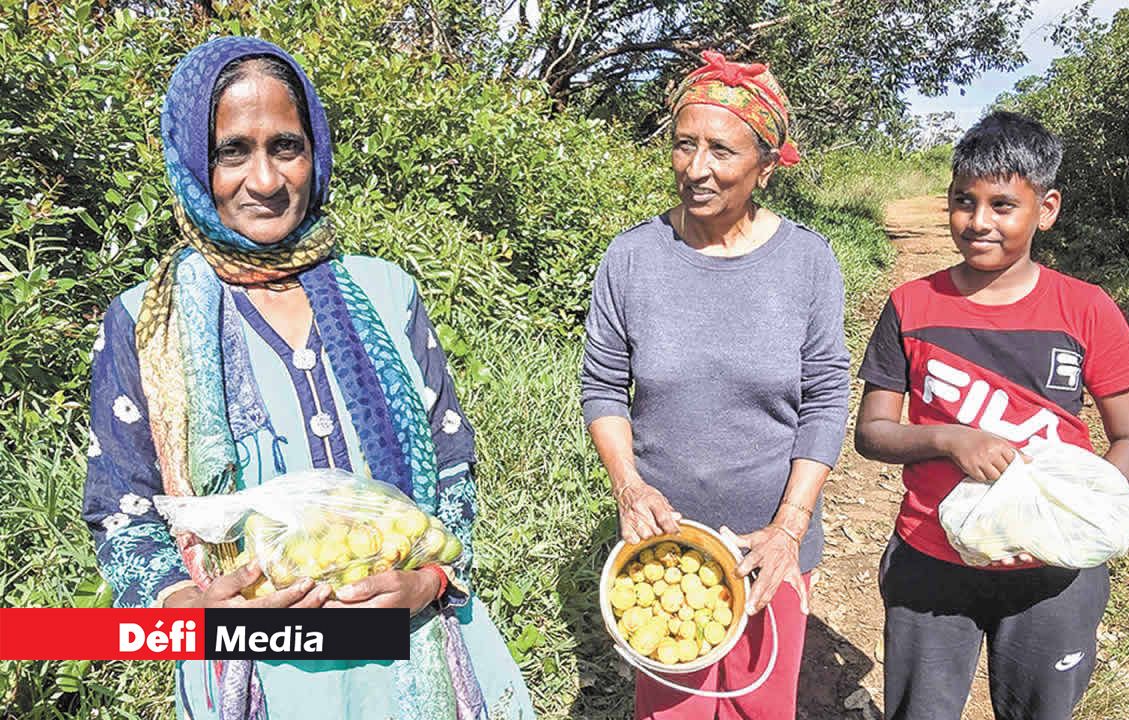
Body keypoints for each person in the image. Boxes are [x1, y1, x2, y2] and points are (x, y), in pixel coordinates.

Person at [81, 37, 534, 720]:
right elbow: (124, 517)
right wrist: (187, 604)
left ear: (314, 152)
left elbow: (451, 470)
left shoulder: (386, 292)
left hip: (415, 660)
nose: (264, 180)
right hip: (262, 680)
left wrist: (432, 576)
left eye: (286, 147)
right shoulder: (147, 322)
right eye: (233, 150)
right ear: (194, 164)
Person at [853, 111, 1129, 720]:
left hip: (1050, 573)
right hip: (931, 560)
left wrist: (1066, 511)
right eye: (964, 202)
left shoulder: (1086, 309)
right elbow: (873, 430)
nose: (979, 222)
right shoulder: (911, 306)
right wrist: (948, 439)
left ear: (1045, 209)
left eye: (1002, 205)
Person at [580, 50, 850, 719]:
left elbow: (826, 397)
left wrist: (789, 526)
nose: (696, 168)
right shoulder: (633, 258)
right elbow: (605, 387)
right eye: (684, 145)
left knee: (762, 705)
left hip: (772, 547)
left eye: (721, 151)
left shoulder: (808, 261)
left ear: (765, 164)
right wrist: (629, 486)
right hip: (665, 550)